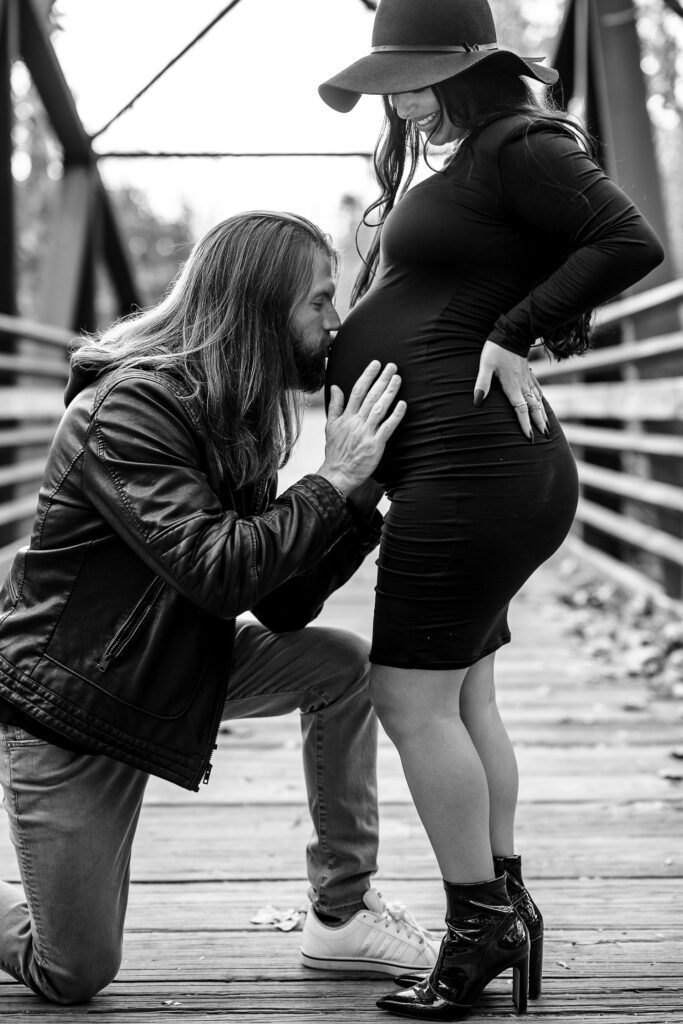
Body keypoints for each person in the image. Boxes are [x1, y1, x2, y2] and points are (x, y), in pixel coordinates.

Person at [0, 210, 444, 1006]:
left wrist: (363, 494)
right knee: (74, 972)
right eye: (318, 301)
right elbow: (218, 573)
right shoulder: (129, 410)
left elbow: (277, 605)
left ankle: (341, 912)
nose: (335, 321)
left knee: (337, 666)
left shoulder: (232, 411)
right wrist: (330, 482)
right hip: (74, 702)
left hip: (178, 664)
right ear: (258, 307)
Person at [319, 0, 665, 1018]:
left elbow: (624, 238)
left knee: (404, 699)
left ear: (468, 66)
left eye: (411, 76)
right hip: (469, 467)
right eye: (385, 81)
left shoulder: (517, 141)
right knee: (463, 700)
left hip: (472, 472)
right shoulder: (459, 159)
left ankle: (477, 928)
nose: (395, 98)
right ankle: (503, 903)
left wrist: (518, 332)